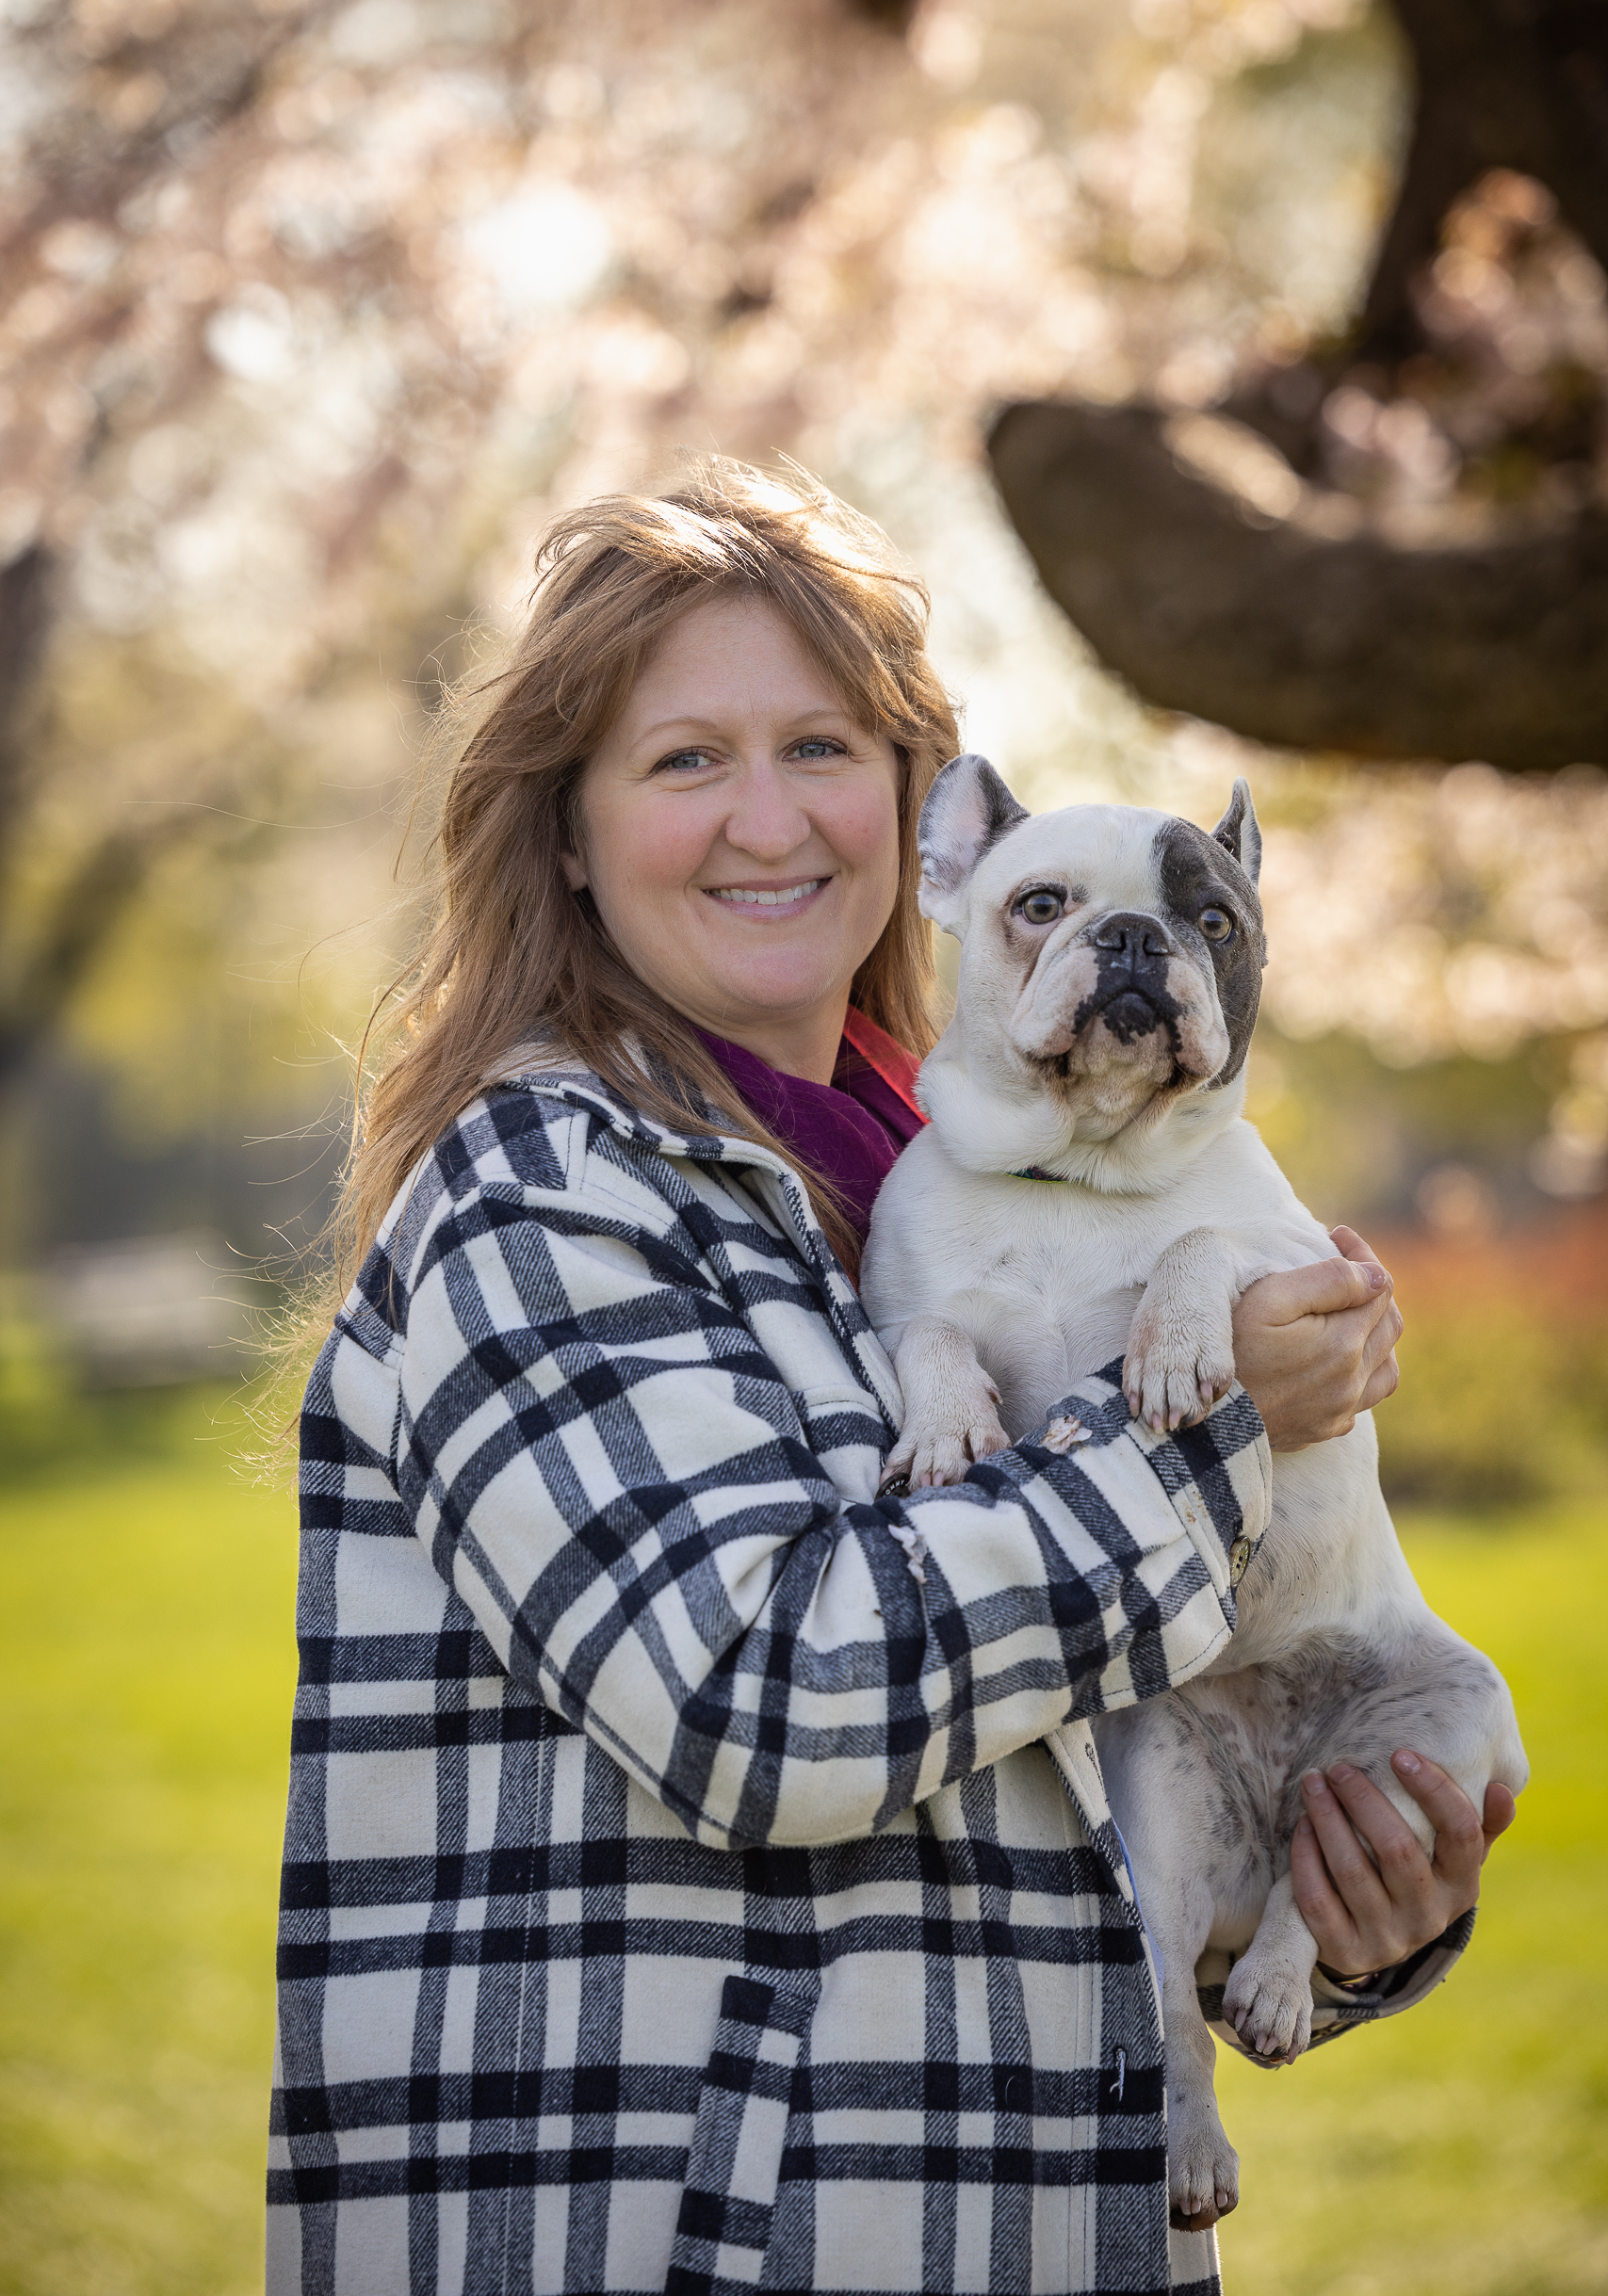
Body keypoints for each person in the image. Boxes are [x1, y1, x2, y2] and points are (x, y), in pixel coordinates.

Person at [268, 464, 1514, 2296]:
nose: (767, 818)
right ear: (568, 833)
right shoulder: (544, 1193)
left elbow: (1062, 1753)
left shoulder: (932, 1187)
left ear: (912, 812)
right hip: (699, 2237)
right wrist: (1213, 1431)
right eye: (684, 759)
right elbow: (762, 1698)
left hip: (1018, 2213)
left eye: (820, 748)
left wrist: (1336, 1914)